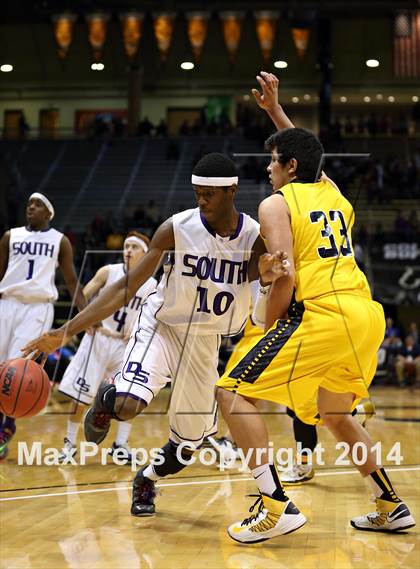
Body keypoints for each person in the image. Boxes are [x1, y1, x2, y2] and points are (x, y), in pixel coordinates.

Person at [22, 153, 284, 516]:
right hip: (162, 326)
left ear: (231, 191)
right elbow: (125, 289)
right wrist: (67, 331)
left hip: (205, 341)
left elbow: (261, 311)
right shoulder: (176, 228)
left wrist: (268, 280)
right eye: (196, 192)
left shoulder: (255, 239)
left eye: (208, 193)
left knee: (186, 448)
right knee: (128, 407)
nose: (201, 200)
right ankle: (106, 400)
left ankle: (145, 478)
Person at [215, 72, 415, 543]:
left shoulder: (275, 205)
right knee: (336, 414)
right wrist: (275, 112)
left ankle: (273, 505)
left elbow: (282, 272)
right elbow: (311, 155)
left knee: (231, 390)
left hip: (323, 312)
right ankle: (390, 504)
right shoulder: (334, 194)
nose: (268, 168)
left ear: (287, 166)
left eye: (272, 161)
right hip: (365, 315)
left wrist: (270, 323)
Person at [0, 192, 86, 460]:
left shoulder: (59, 240)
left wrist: (88, 315)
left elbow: (72, 281)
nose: (31, 208)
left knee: (15, 368)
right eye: (29, 205)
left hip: (37, 308)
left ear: (49, 214)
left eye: (37, 205)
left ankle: (6, 429)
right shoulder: (9, 236)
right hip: (7, 303)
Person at [58, 232, 157, 462]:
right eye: (126, 246)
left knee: (129, 395)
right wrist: (87, 317)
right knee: (80, 396)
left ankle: (120, 445)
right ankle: (70, 444)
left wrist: (139, 330)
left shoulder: (152, 285)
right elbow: (82, 294)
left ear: (145, 253)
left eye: (134, 247)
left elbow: (154, 315)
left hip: (126, 346)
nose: (128, 250)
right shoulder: (108, 272)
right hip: (99, 339)